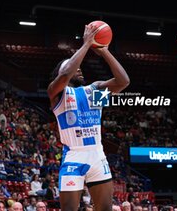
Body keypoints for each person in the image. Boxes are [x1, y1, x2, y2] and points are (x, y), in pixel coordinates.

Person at [47, 23, 130, 211]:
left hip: (97, 155)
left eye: (78, 67)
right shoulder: (57, 92)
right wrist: (86, 44)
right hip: (73, 156)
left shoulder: (94, 92)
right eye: (71, 66)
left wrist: (103, 51)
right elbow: (66, 73)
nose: (78, 69)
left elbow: (123, 81)